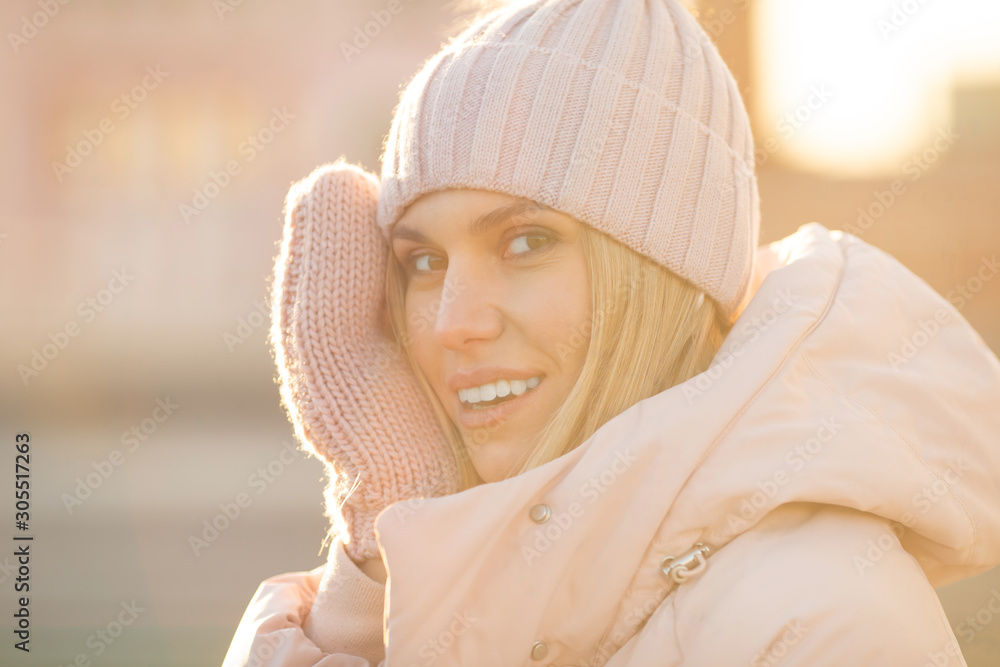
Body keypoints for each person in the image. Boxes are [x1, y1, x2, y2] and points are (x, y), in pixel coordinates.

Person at [222, 0, 1000, 665]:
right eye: (424, 259)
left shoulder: (822, 628)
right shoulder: (481, 569)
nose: (455, 320)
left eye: (526, 242)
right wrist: (378, 544)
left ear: (662, 275)